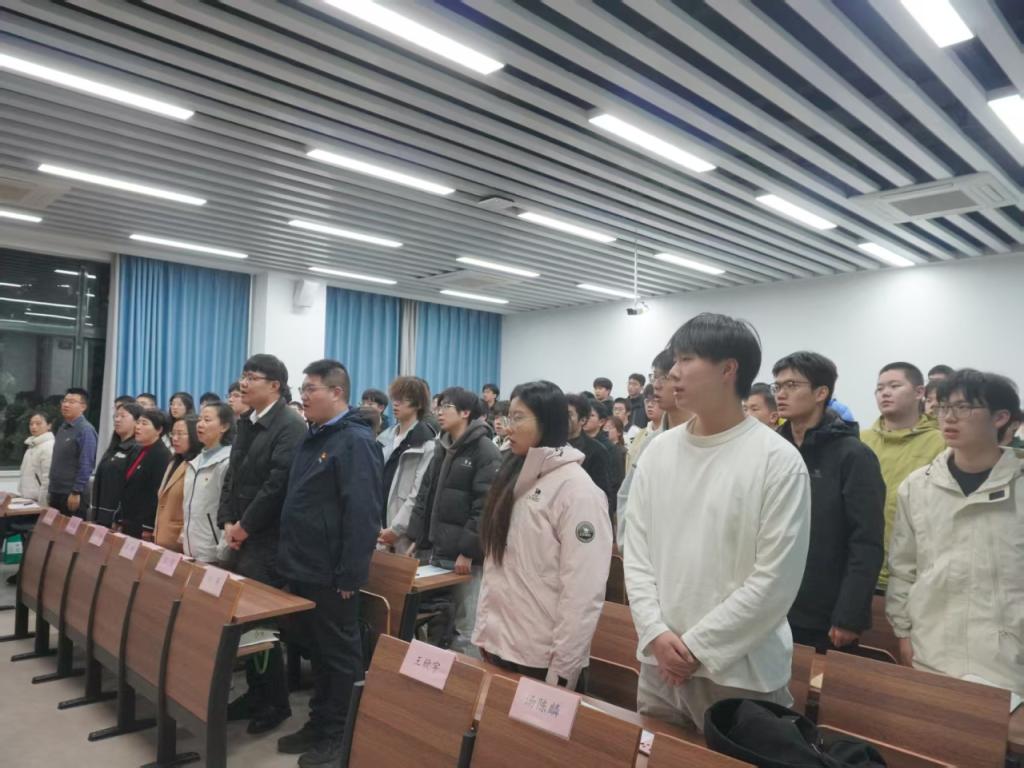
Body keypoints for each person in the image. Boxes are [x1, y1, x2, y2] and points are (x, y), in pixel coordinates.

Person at [624, 313, 811, 732]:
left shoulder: (777, 461)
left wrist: (696, 647)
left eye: (687, 359)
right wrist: (655, 632)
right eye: (674, 359)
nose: (673, 372)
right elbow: (636, 555)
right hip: (659, 666)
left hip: (740, 675)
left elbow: (774, 582)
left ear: (729, 370)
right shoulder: (658, 452)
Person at [887, 369, 1023, 696]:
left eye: (963, 408)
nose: (949, 417)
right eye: (944, 407)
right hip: (931, 648)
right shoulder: (918, 486)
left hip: (1009, 660)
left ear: (1000, 417)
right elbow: (903, 568)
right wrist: (903, 633)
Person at [275, 360, 383, 765]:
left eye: (311, 389)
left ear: (337, 392)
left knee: (339, 655)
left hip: (333, 573)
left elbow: (363, 513)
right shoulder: (315, 435)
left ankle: (342, 733)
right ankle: (320, 722)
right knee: (317, 652)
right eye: (302, 389)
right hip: (304, 565)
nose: (303, 396)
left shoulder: (355, 441)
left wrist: (350, 575)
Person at [473, 380, 612, 689]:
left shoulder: (577, 491)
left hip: (541, 658)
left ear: (547, 421)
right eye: (508, 416)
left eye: (519, 417)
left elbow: (582, 592)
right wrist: (486, 631)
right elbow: (498, 567)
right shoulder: (513, 474)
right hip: (501, 644)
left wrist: (563, 670)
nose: (508, 427)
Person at [771, 352, 885, 653]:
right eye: (777, 386)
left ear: (821, 393)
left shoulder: (853, 455)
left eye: (792, 385)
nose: (781, 394)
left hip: (822, 611)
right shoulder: (771, 449)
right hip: (769, 601)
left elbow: (866, 541)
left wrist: (849, 615)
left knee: (814, 682)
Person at [218, 354, 306, 734]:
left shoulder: (290, 425)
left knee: (262, 624)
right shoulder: (247, 421)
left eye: (252, 377)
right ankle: (256, 693)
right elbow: (233, 476)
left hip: (269, 540)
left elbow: (278, 484)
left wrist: (246, 526)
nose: (244, 383)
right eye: (243, 375)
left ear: (274, 385)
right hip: (242, 535)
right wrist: (227, 520)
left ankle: (275, 703)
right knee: (242, 620)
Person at [407, 387, 501, 657]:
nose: (439, 412)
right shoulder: (442, 445)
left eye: (446, 407)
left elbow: (485, 507)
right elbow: (425, 495)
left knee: (466, 625)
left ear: (465, 412)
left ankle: (468, 678)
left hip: (464, 558)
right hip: (437, 550)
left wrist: (469, 551)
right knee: (438, 621)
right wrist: (416, 537)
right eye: (438, 406)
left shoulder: (485, 450)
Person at [861, 362, 946, 588]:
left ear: (919, 392)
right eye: (879, 388)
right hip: (860, 567)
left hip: (915, 572)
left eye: (894, 386)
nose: (885, 393)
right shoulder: (860, 440)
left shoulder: (941, 443)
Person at [618, 350, 693, 545]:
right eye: (654, 377)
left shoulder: (702, 440)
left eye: (665, 377)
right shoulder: (650, 442)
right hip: (646, 552)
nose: (656, 385)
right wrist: (628, 545)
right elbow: (627, 495)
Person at [376, 376, 436, 555]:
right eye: (395, 398)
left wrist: (396, 528)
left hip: (403, 532)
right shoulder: (384, 438)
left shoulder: (426, 443)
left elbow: (418, 493)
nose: (396, 404)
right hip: (378, 525)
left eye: (403, 400)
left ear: (418, 404)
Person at [182, 401, 234, 563]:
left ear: (224, 426)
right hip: (190, 547)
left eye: (207, 420)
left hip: (213, 551)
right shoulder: (195, 460)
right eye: (199, 419)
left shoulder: (227, 461)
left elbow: (228, 507)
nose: (200, 424)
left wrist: (223, 549)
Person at [117, 409, 171, 539]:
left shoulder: (162, 455)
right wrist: (119, 518)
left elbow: (156, 494)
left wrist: (148, 527)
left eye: (144, 423)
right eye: (138, 422)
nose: (138, 427)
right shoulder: (137, 450)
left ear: (159, 430)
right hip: (128, 519)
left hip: (142, 525)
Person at [48, 387, 98, 518]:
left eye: (71, 402)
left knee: (71, 530)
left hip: (72, 494)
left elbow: (86, 464)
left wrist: (76, 491)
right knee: (53, 529)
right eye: (64, 401)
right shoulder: (62, 427)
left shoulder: (86, 430)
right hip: (56, 491)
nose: (66, 405)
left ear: (83, 407)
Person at [91, 403, 142, 526]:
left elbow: (131, 487)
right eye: (116, 416)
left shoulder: (136, 449)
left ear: (137, 422)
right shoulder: (114, 447)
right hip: (101, 513)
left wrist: (120, 519)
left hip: (118, 517)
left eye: (123, 416)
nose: (117, 420)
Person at [154, 415, 200, 551]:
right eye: (172, 434)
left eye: (180, 434)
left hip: (181, 541)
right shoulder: (174, 461)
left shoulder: (197, 464)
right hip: (162, 536)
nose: (174, 438)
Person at [566, 394, 613, 513]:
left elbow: (603, 493)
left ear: (582, 420)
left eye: (569, 414)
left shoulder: (596, 450)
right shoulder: (552, 446)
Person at [17, 411, 54, 505]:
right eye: (31, 424)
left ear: (49, 425)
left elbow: (48, 478)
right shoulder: (32, 444)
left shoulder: (49, 446)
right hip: (28, 499)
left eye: (38, 423)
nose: (34, 427)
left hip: (39, 501)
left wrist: (43, 504)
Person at [604, 416, 628, 498]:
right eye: (605, 428)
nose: (607, 430)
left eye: (610, 428)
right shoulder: (602, 449)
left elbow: (620, 479)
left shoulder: (622, 451)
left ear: (619, 432)